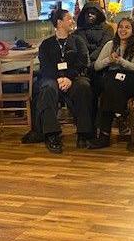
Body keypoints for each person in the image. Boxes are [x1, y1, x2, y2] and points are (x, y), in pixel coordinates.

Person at [34, 9, 93, 154]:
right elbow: (45, 66)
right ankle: (52, 134)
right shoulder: (46, 44)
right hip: (53, 78)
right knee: (47, 88)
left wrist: (69, 78)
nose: (72, 21)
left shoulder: (77, 41)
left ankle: (84, 133)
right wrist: (59, 78)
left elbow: (83, 62)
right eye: (69, 19)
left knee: (83, 87)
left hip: (73, 77)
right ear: (59, 23)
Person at [88, 18, 134, 149]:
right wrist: (109, 60)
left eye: (127, 27)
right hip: (112, 79)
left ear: (133, 30)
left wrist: (122, 62)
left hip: (131, 79)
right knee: (110, 84)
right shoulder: (110, 44)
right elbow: (97, 66)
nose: (123, 30)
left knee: (109, 90)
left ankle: (104, 135)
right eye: (121, 27)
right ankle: (120, 115)